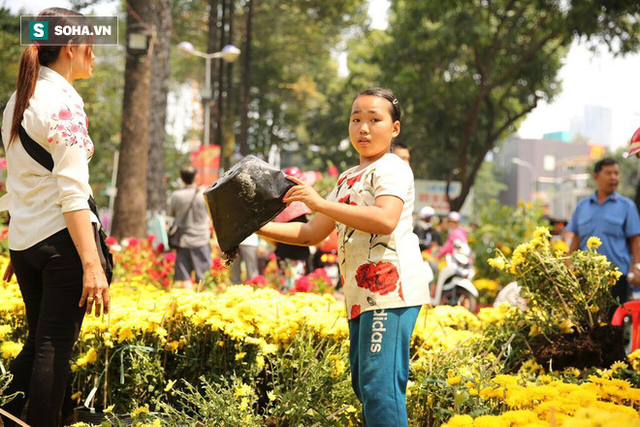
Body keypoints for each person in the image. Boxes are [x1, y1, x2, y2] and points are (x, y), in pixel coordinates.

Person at [258, 88, 430, 426]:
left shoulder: (392, 167)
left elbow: (385, 219)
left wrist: (320, 202)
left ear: (394, 129)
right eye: (356, 119)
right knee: (365, 385)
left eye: (374, 120)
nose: (363, 128)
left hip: (390, 293)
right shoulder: (349, 177)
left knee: (380, 390)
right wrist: (252, 229)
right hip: (360, 296)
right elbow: (310, 234)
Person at [0, 8, 110, 427]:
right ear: (71, 48)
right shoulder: (62, 103)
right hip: (60, 243)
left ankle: (8, 415)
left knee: (40, 342)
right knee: (54, 347)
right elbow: (72, 193)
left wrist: (24, 236)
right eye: (91, 49)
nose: (94, 57)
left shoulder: (18, 99)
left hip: (27, 243)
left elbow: (23, 177)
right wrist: (91, 264)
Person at [567, 158, 640, 312]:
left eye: (616, 173)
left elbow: (635, 240)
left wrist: (637, 267)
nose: (614, 177)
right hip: (585, 279)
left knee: (614, 327)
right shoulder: (582, 206)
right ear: (596, 176)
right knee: (585, 326)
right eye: (608, 173)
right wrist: (568, 266)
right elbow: (576, 239)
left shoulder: (627, 207)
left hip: (616, 279)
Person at [168, 166, 212, 289]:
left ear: (181, 179)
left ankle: (189, 304)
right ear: (196, 177)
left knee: (184, 278)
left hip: (183, 241)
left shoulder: (176, 196)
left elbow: (171, 214)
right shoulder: (204, 195)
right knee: (203, 277)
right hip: (202, 240)